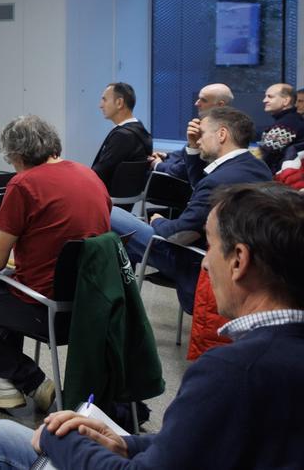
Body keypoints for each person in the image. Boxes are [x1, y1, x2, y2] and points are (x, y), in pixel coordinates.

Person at [0, 182, 304, 470]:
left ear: (239, 261)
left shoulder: (231, 371)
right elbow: (194, 444)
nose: (204, 266)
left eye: (210, 247)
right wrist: (128, 444)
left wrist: (56, 437)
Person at [0, 115, 110, 411]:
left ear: (15, 155)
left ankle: (32, 382)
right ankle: (4, 384)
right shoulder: (89, 176)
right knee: (7, 283)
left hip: (43, 310)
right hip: (88, 307)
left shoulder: (24, 184)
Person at [111, 106, 272, 311]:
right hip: (240, 261)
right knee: (122, 243)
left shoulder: (220, 180)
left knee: (108, 213)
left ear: (222, 134)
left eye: (202, 134)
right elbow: (201, 186)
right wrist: (193, 148)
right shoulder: (256, 166)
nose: (199, 139)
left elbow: (180, 234)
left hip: (194, 260)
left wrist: (158, 220)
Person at [149, 83, 233, 181]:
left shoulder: (216, 134)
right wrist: (167, 156)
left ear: (220, 105)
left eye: (204, 100)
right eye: (198, 98)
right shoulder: (207, 125)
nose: (197, 103)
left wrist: (158, 165)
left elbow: (184, 171)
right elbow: (185, 154)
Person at [92, 82, 152, 189]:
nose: (100, 105)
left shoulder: (123, 136)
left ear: (119, 103)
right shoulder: (140, 130)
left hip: (107, 198)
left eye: (104, 99)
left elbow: (100, 173)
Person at [256, 82, 304, 171]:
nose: (264, 100)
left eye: (270, 97)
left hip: (275, 179)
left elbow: (264, 156)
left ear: (285, 101)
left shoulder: (286, 125)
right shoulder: (291, 120)